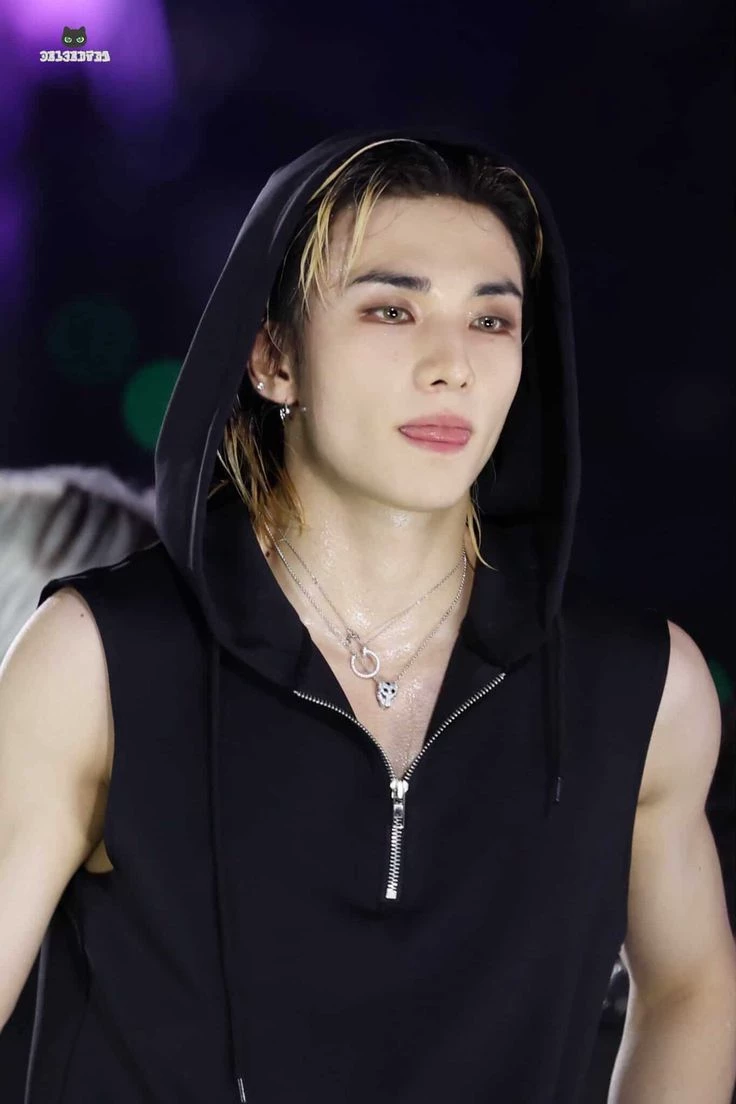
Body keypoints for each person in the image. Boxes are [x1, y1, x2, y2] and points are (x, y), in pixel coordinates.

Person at [1, 126, 734, 1103]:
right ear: (272, 357)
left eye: (491, 321)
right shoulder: (98, 660)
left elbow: (689, 985)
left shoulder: (638, 683)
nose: (451, 365)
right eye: (392, 309)